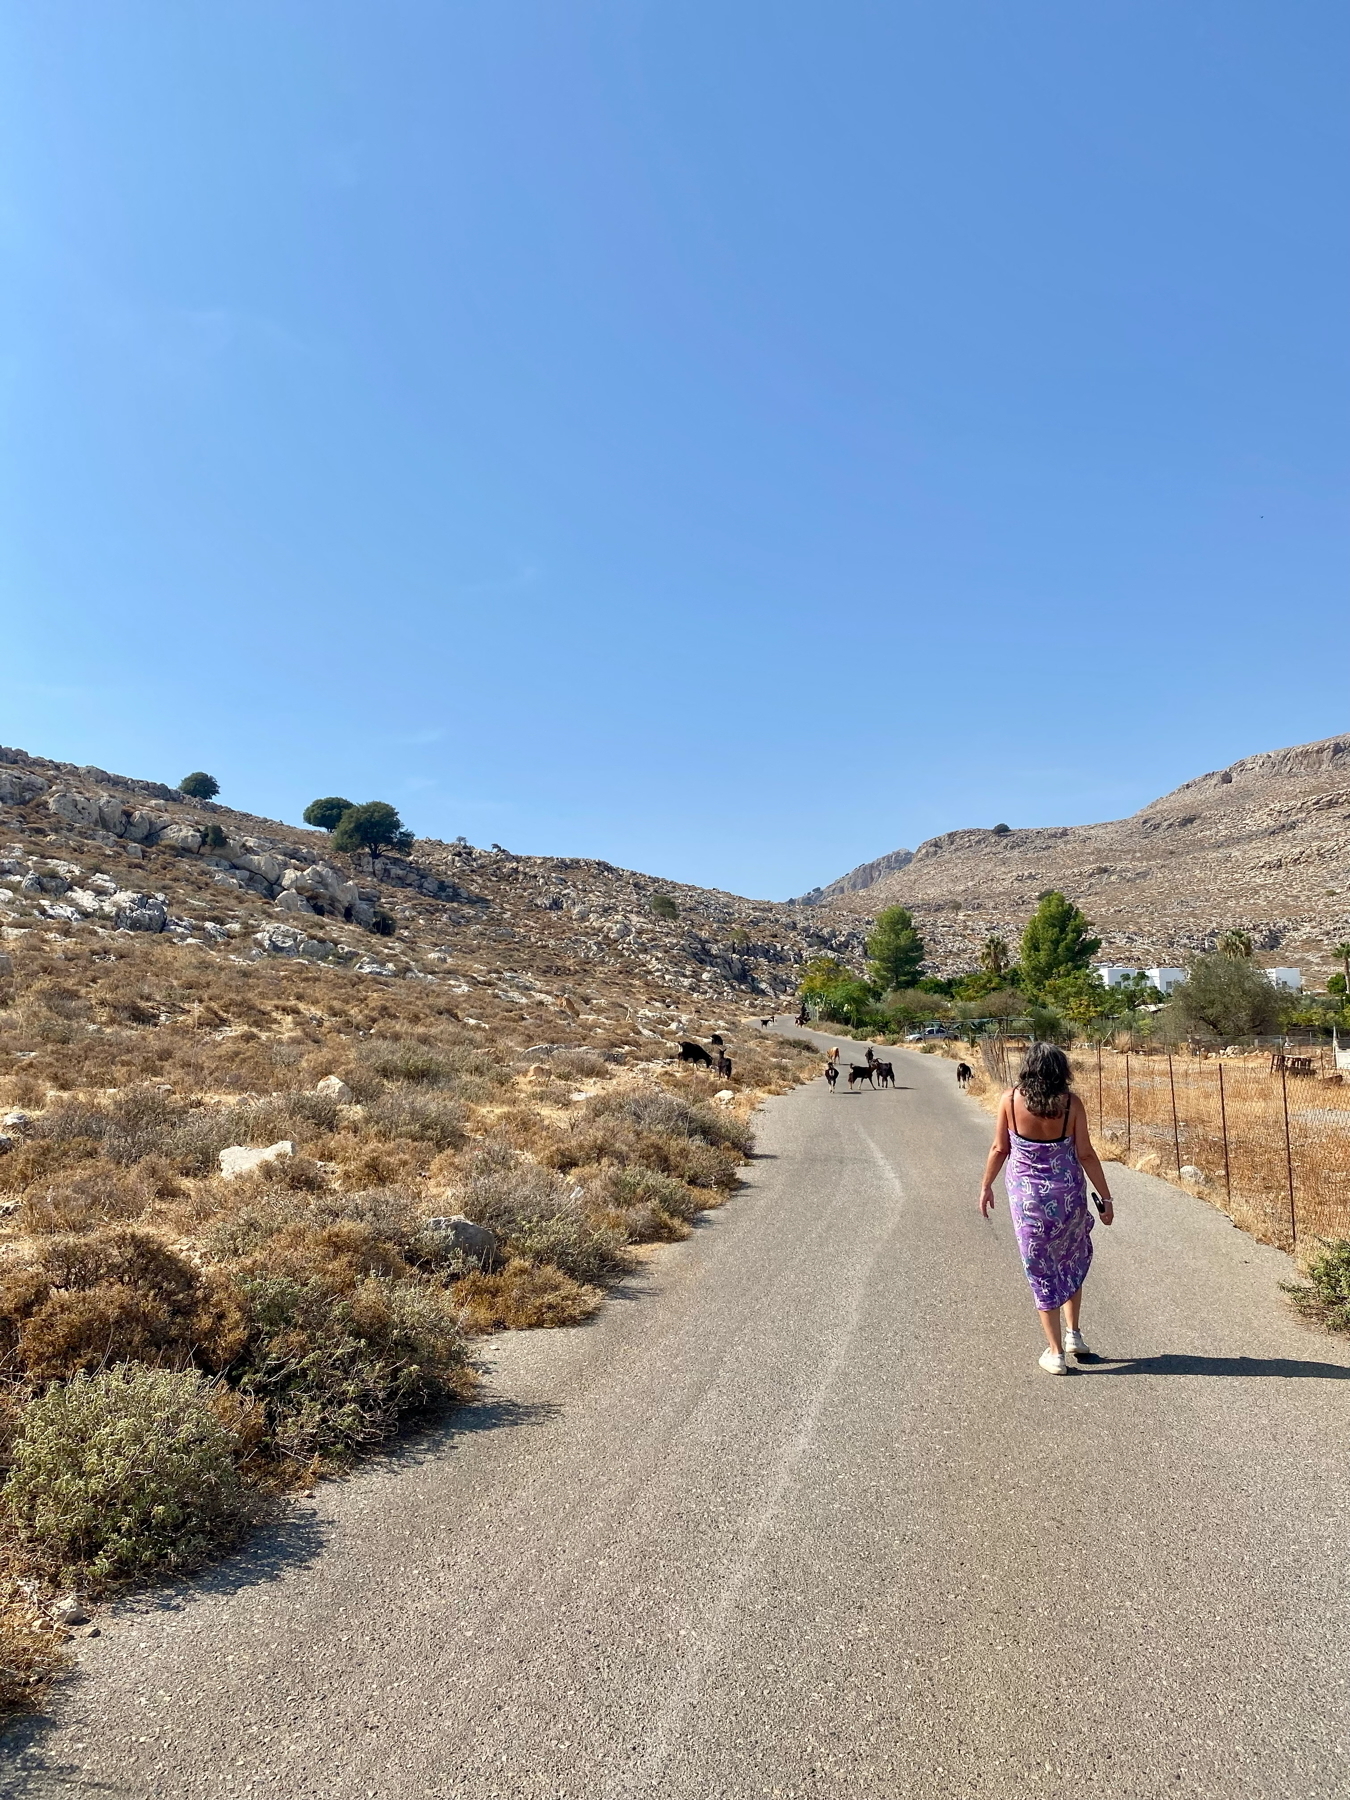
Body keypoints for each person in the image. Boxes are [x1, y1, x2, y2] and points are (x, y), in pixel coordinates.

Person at [978, 1043, 1115, 1375]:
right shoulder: (1072, 1104)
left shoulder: (1010, 1101)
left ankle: (1055, 1353)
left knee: (1041, 1270)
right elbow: (1085, 1154)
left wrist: (985, 1186)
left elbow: (1000, 1148)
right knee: (1069, 1257)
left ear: (1028, 1067)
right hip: (1068, 1196)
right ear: (1061, 1070)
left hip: (1029, 1204)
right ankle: (1074, 1335)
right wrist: (1106, 1199)